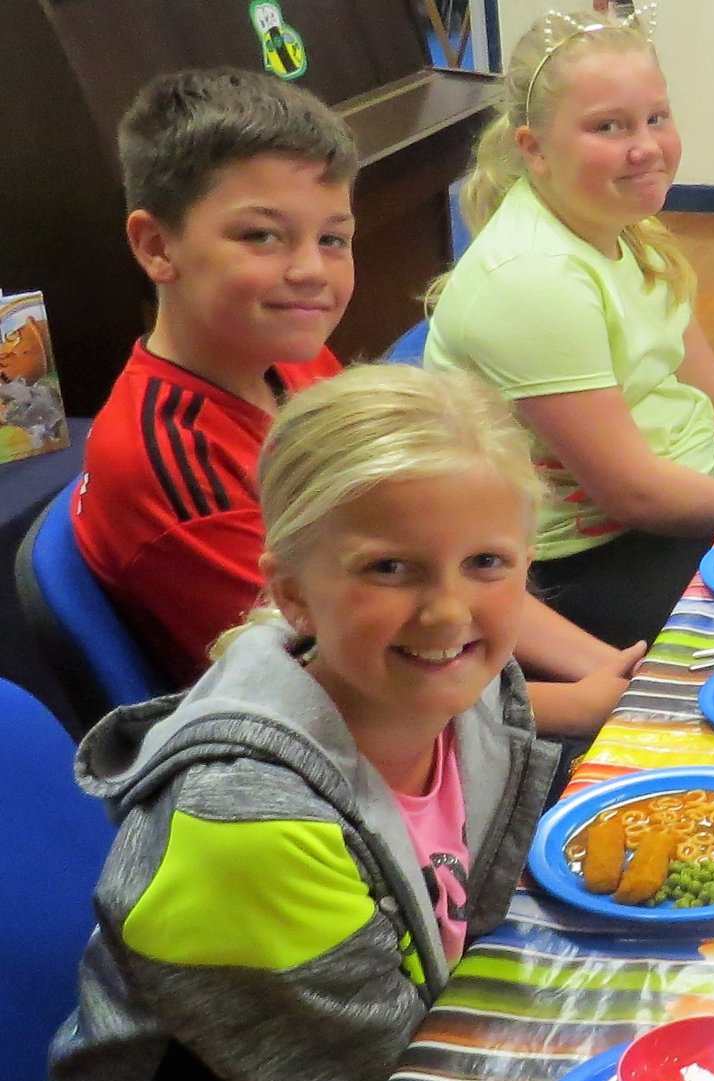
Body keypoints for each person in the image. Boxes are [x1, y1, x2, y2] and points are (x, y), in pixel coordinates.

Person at [41, 364, 560, 1081]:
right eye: (390, 567)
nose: (449, 610)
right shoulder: (247, 827)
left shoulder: (469, 695)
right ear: (292, 594)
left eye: (486, 563)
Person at [70, 66, 639, 734]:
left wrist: (610, 671)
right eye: (262, 235)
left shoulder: (293, 357)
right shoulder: (176, 465)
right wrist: (585, 707)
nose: (311, 270)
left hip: (430, 685)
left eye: (332, 239)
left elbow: (442, 556)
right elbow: (332, 685)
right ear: (156, 245)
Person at [426, 10, 714, 649]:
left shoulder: (627, 229)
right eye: (608, 127)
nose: (645, 146)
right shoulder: (535, 277)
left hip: (688, 496)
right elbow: (633, 494)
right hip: (589, 565)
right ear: (533, 147)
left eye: (656, 118)